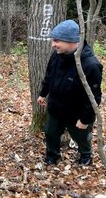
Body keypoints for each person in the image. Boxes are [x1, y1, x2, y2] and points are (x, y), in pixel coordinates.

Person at [37, 19, 102, 166]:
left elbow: (94, 96)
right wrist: (43, 93)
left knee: (82, 137)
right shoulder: (56, 55)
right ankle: (52, 156)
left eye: (56, 40)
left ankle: (85, 156)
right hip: (55, 107)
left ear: (71, 41)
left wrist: (85, 119)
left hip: (77, 113)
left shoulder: (91, 65)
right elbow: (49, 76)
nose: (53, 44)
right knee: (50, 133)